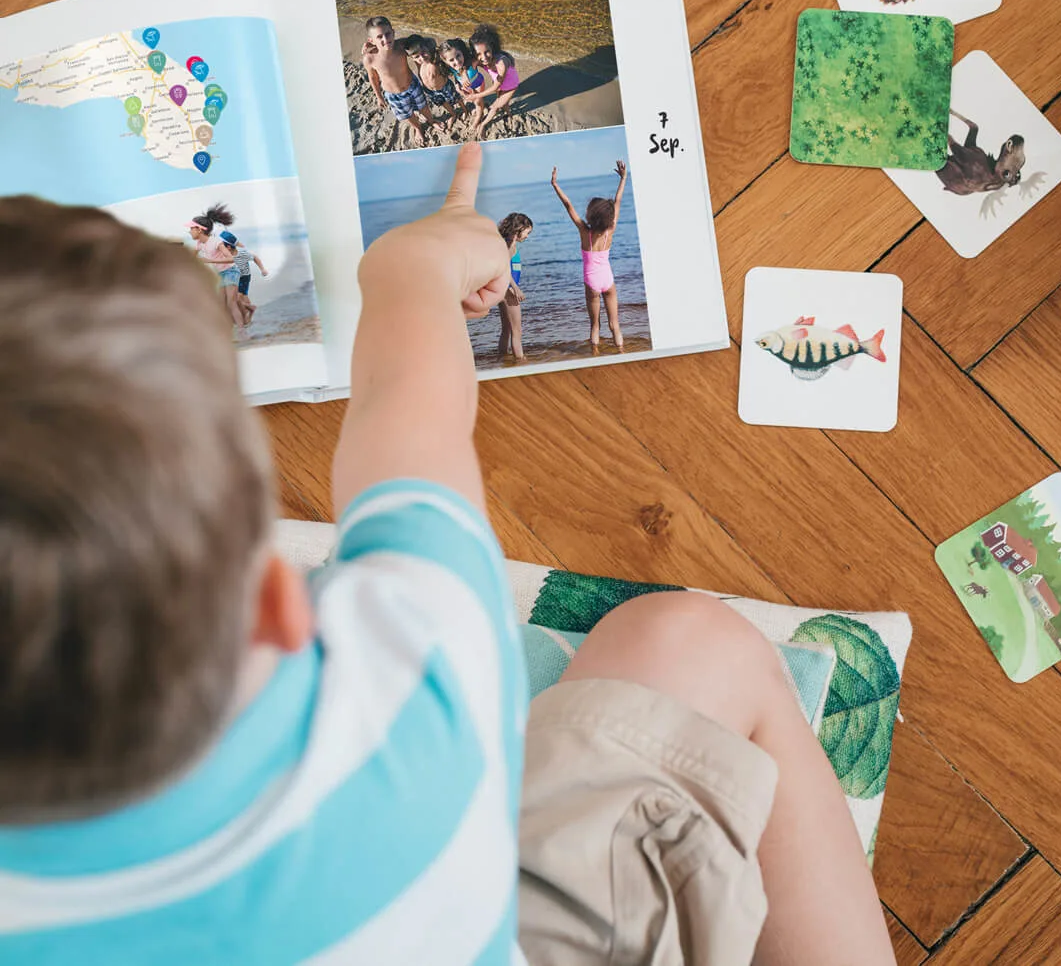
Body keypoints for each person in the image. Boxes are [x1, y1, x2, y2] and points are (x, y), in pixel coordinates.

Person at [0, 153, 895, 966]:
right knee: (694, 640)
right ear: (283, 597)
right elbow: (408, 414)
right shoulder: (413, 664)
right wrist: (414, 272)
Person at [551, 159, 629, 350]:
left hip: (591, 282)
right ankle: (621, 351)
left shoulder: (585, 232)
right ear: (608, 218)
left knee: (595, 326)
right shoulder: (610, 230)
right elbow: (617, 201)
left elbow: (568, 205)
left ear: (590, 215)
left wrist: (555, 184)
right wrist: (623, 178)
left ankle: (595, 356)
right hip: (608, 280)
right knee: (615, 325)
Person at [362, 15, 434, 146]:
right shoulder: (370, 58)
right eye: (379, 37)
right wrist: (379, 97)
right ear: (371, 40)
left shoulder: (401, 46)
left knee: (423, 107)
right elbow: (373, 78)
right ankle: (418, 128)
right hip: (394, 95)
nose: (385, 39)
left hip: (412, 86)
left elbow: (421, 41)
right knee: (407, 115)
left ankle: (431, 121)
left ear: (393, 32)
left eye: (388, 34)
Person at [468, 24, 520, 139]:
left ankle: (483, 124)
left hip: (510, 86)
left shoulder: (501, 63)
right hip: (500, 86)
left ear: (492, 48)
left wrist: (476, 95)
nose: (484, 57)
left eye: (487, 52)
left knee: (495, 107)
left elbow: (496, 87)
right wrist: (466, 78)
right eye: (478, 54)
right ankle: (508, 112)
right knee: (503, 103)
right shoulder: (480, 60)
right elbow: (469, 67)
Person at [496, 211, 533, 361]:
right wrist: (515, 288)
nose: (527, 236)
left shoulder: (506, 241)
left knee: (507, 329)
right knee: (517, 331)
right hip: (509, 290)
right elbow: (504, 268)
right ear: (518, 228)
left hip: (503, 289)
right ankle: (520, 360)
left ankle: (503, 358)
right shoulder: (509, 244)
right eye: (527, 232)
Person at [403, 33, 464, 120]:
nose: (422, 58)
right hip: (429, 90)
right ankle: (453, 114)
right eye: (417, 57)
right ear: (412, 58)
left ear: (428, 48)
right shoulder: (418, 62)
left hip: (444, 86)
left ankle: (465, 110)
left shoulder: (435, 59)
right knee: (442, 103)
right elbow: (408, 51)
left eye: (424, 53)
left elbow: (434, 42)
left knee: (456, 98)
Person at [441, 37, 487, 136]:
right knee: (473, 100)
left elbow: (480, 57)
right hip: (466, 87)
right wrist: (457, 84)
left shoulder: (471, 63)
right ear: (445, 61)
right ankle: (476, 108)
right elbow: (456, 76)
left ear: (462, 52)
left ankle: (479, 116)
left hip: (478, 84)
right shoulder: (451, 67)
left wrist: (465, 70)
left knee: (478, 102)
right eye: (451, 60)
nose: (457, 62)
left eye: (458, 56)